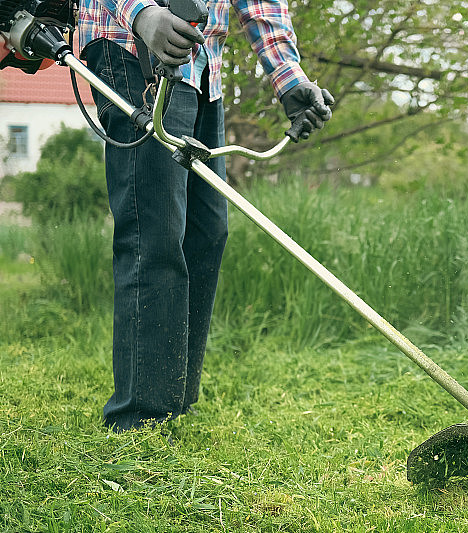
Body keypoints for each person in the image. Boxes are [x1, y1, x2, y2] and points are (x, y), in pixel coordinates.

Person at [77, 0, 334, 431]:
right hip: (130, 45)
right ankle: (141, 416)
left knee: (207, 231)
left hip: (201, 63)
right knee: (155, 230)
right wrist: (142, 14)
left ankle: (173, 400)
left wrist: (288, 77)